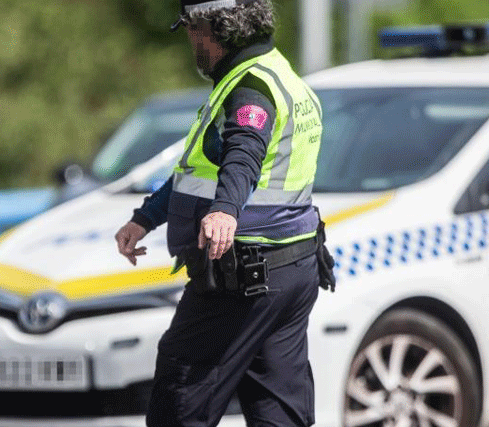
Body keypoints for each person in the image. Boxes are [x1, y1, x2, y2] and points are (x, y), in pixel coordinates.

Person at [114, 0, 331, 425]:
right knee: (278, 408)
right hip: (292, 268)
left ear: (216, 28)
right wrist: (145, 218)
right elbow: (200, 172)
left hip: (242, 277)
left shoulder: (250, 89)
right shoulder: (280, 73)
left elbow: (244, 154)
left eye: (192, 29)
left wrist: (227, 211)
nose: (192, 42)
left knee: (181, 396)